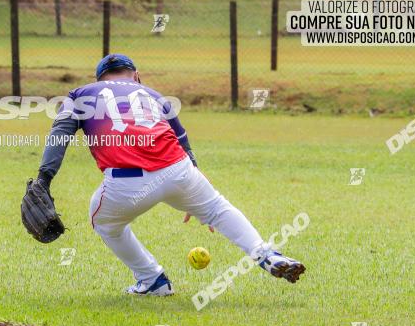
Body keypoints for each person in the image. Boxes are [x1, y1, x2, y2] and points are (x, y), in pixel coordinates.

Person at [34, 53, 305, 296]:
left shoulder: (80, 93)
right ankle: (265, 252)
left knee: (103, 221)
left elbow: (60, 135)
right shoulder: (152, 94)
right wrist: (196, 189)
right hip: (178, 170)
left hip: (126, 183)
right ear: (136, 76)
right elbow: (183, 141)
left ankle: (152, 280)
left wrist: (44, 180)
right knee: (217, 208)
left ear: (100, 79)